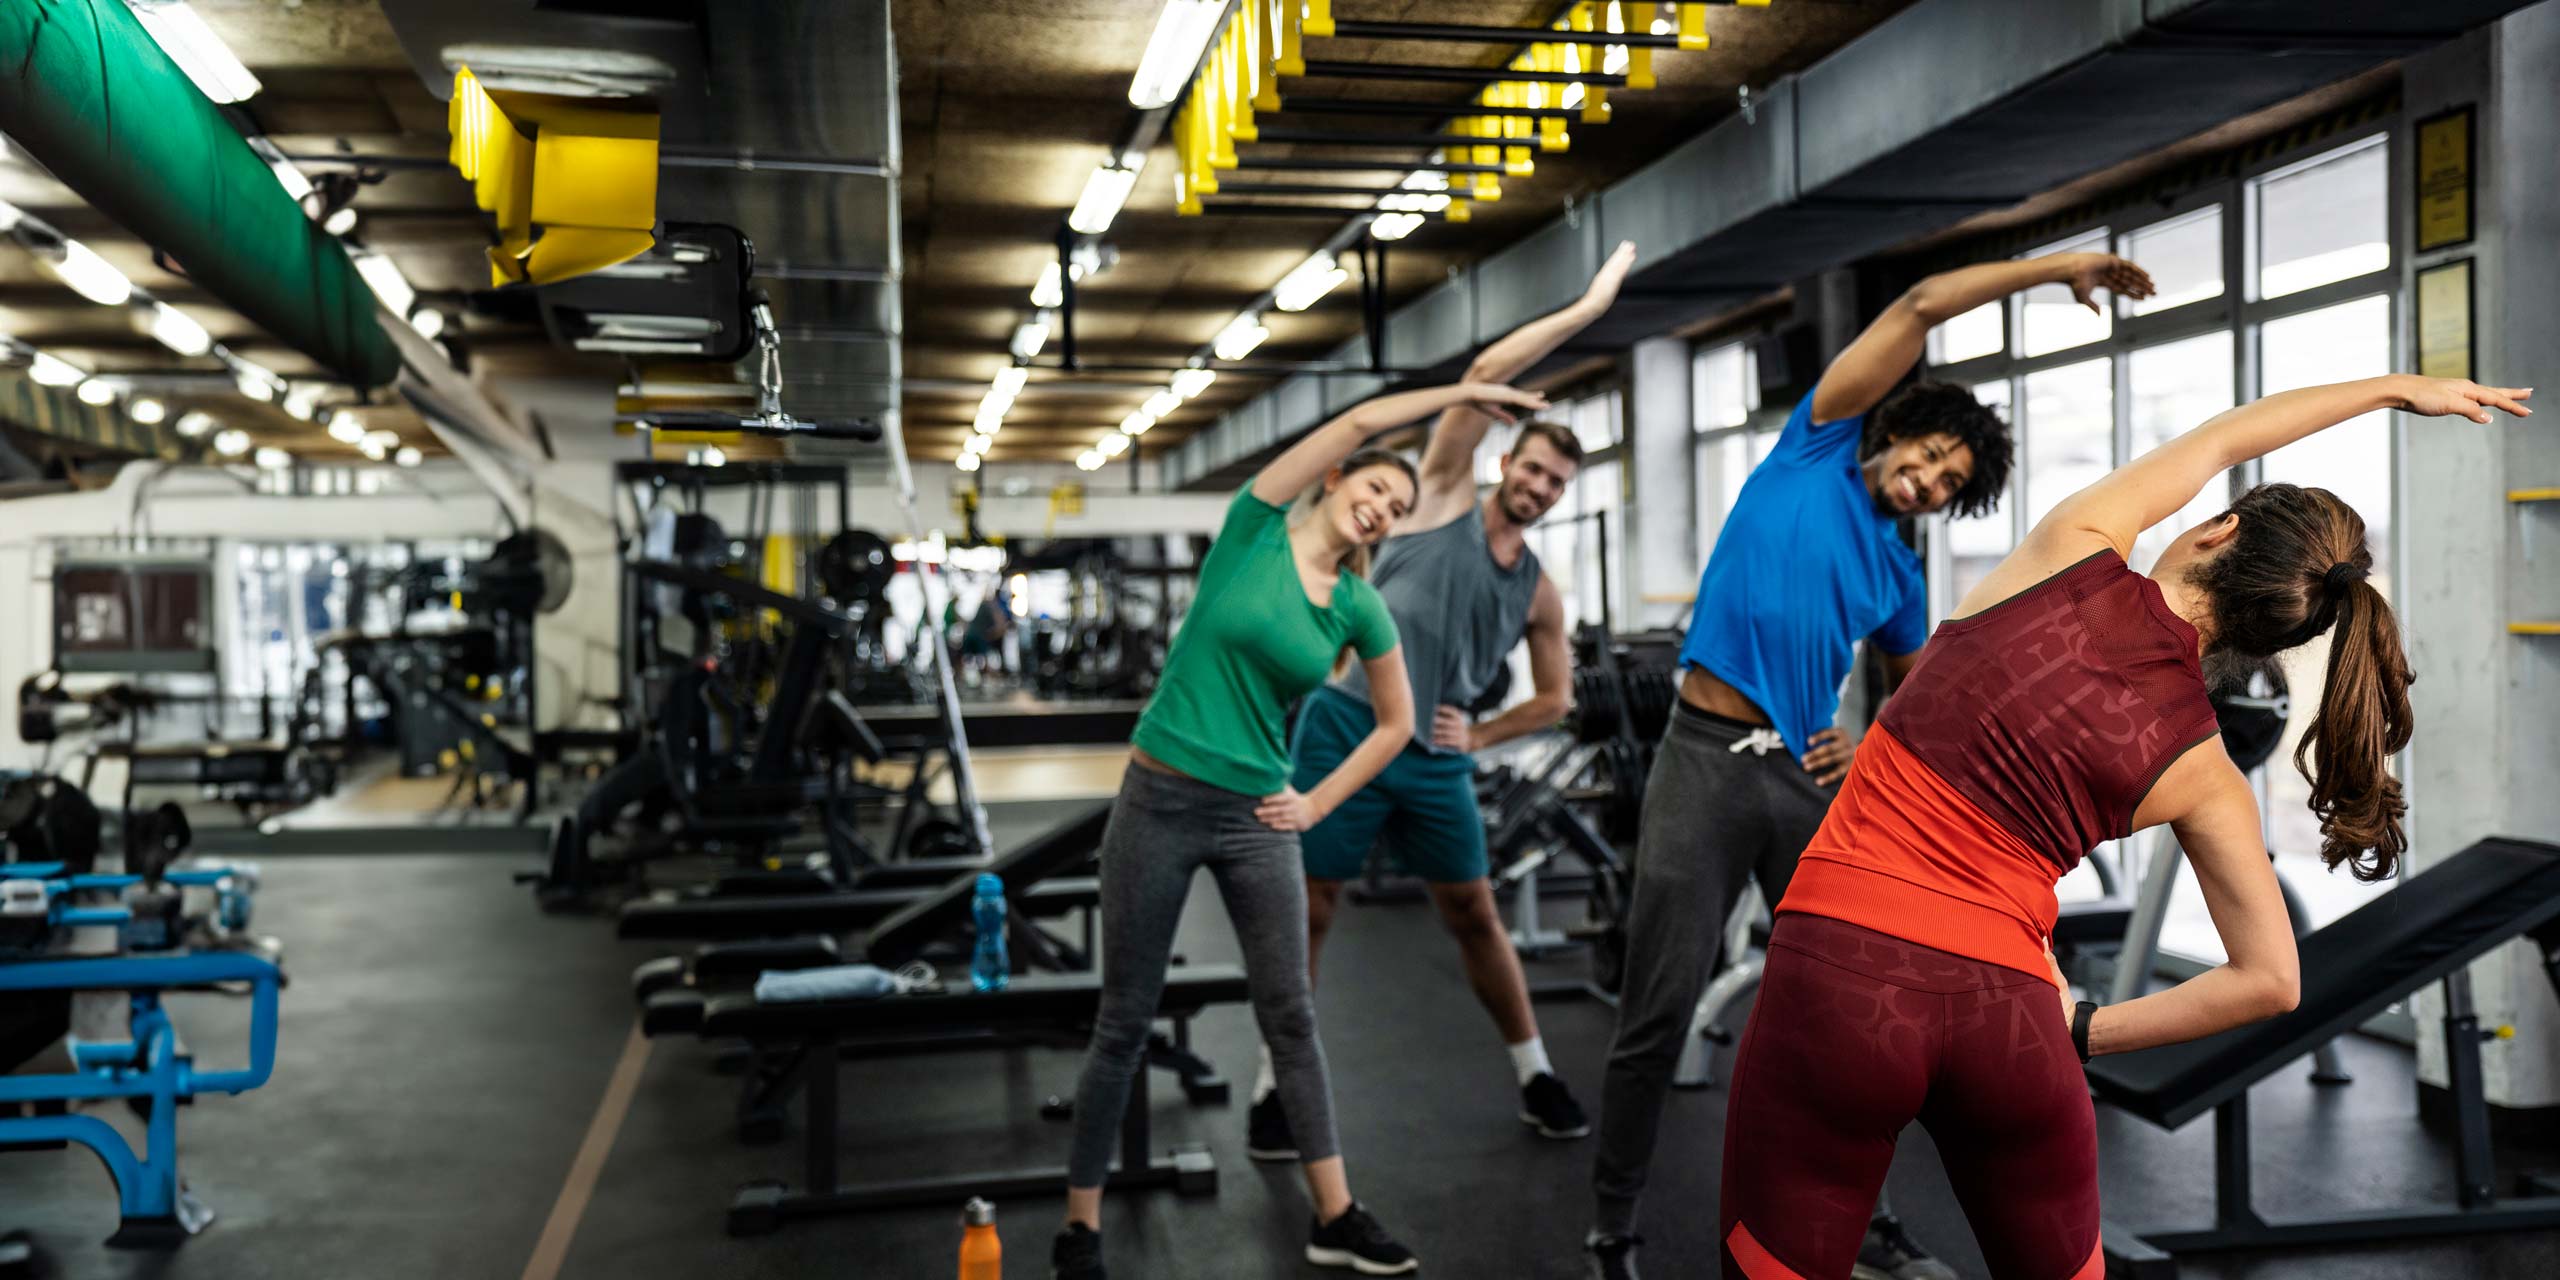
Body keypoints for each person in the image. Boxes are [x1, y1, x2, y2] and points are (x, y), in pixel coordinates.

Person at [1715, 372, 2529, 1278]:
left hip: (1841, 977)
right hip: (2014, 1022)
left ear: (2218, 531)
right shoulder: (2205, 769)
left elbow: (2228, 434)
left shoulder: (2070, 548)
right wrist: (2086, 1028)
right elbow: (2272, 982)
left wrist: (2395, 391)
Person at [1589, 253, 2153, 1280]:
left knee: (1858, 1012)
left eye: (1947, 486)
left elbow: (1914, 687)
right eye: (1932, 457)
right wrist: (2062, 265)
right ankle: (1611, 1224)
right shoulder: (1811, 450)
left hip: (1803, 784)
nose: (1928, 482)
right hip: (1703, 759)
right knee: (1657, 1006)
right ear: (1898, 429)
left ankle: (1872, 1216)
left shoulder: (1898, 569)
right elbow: (1920, 302)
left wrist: (1863, 741)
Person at [1052, 378, 1551, 1280]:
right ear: (1336, 480)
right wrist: (1469, 391)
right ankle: (1080, 1228)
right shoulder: (1252, 530)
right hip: (1156, 802)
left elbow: (1398, 724)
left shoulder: (1359, 608)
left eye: (1398, 510)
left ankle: (1336, 1212)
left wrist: (1316, 803)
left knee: (1291, 1016)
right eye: (1374, 491)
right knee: (1123, 1019)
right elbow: (1361, 419)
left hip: (1256, 817)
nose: (1382, 510)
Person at [1247, 241, 1636, 1162]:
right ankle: (1275, 1088)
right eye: (1533, 470)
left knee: (1472, 911)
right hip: (1345, 729)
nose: (1540, 489)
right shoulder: (1439, 499)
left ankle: (1536, 1073)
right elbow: (1481, 377)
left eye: (1556, 484)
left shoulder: (1539, 589)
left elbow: (1554, 699)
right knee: (1311, 908)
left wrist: (1481, 734)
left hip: (1431, 757)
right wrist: (1584, 310)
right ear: (1509, 463)